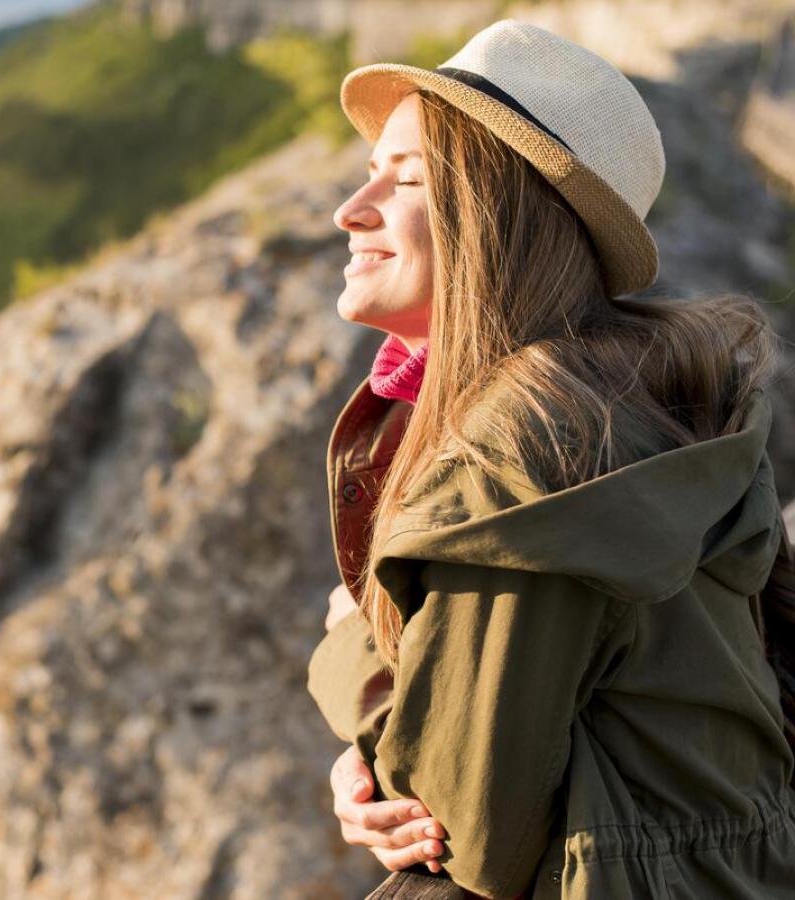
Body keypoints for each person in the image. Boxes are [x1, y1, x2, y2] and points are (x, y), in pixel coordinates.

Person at [305, 18, 795, 900]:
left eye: (406, 176)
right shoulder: (657, 400)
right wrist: (375, 755)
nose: (352, 209)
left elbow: (466, 832)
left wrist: (347, 649)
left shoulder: (525, 440)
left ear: (498, 219)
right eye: (368, 171)